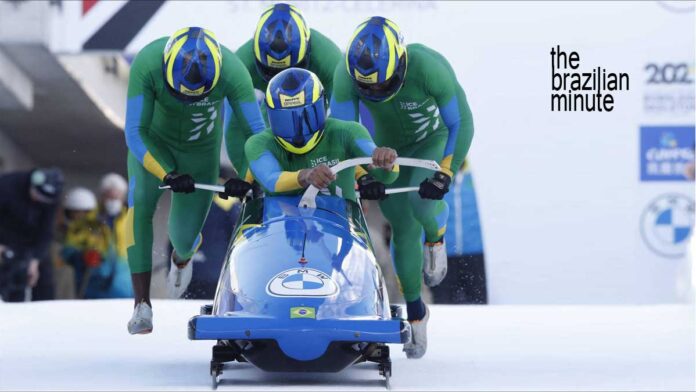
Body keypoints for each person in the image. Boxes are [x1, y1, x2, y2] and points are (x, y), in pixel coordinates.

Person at [330, 17, 474, 358]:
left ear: (401, 62)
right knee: (401, 225)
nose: (376, 93)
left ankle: (436, 237)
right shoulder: (344, 76)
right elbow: (342, 133)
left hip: (430, 143)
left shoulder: (427, 66)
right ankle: (416, 311)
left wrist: (446, 172)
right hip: (383, 151)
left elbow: (460, 121)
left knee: (424, 205)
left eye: (384, 84)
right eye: (369, 89)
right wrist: (363, 176)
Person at [124, 27, 265, 334]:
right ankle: (141, 305)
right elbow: (134, 131)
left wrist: (247, 178)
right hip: (153, 145)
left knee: (184, 236)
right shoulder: (147, 62)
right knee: (139, 207)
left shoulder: (233, 71)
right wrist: (165, 174)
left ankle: (182, 257)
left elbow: (257, 133)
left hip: (199, 152)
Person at [245, 68, 398, 205]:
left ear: (323, 106)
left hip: (341, 225)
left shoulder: (347, 132)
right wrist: (306, 176)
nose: (297, 133)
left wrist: (386, 160)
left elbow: (387, 176)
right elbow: (271, 180)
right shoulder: (258, 144)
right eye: (285, 120)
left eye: (307, 117)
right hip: (281, 229)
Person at [226, 3, 342, 182]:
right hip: (271, 109)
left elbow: (344, 121)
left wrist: (352, 172)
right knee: (264, 129)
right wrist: (248, 176)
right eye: (273, 72)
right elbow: (233, 127)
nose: (284, 81)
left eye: (292, 70)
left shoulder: (329, 60)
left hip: (313, 102)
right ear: (257, 57)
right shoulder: (240, 65)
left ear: (307, 53)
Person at [0, 168, 64, 302]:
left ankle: (42, 313)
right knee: (6, 276)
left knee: (42, 278)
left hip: (29, 240)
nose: (38, 200)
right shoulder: (6, 186)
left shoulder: (51, 201)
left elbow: (46, 231)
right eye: (37, 195)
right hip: (4, 235)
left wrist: (36, 260)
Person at [429, 161, 487, 304]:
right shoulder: (436, 175)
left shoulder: (476, 176)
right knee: (443, 303)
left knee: (479, 303)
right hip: (443, 252)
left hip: (475, 252)